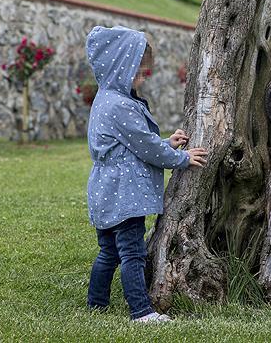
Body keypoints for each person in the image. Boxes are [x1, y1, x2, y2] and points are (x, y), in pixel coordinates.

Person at [84, 25, 207, 322]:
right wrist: (181, 157)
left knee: (109, 252)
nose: (143, 78)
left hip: (106, 191)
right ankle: (141, 311)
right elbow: (146, 147)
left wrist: (166, 143)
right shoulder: (121, 106)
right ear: (120, 67)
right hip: (124, 194)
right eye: (139, 71)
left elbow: (131, 146)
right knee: (132, 253)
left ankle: (96, 304)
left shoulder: (105, 99)